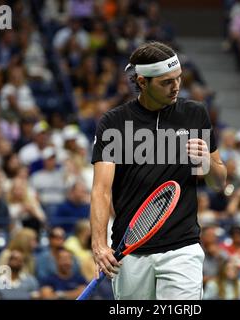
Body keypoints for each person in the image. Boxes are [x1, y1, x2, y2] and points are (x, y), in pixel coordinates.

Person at [90, 41, 227, 300]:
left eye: (178, 79)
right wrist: (99, 244)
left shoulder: (194, 114)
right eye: (166, 82)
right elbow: (101, 190)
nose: (176, 86)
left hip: (182, 248)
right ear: (142, 82)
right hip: (129, 250)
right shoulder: (114, 123)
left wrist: (207, 164)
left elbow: (219, 182)